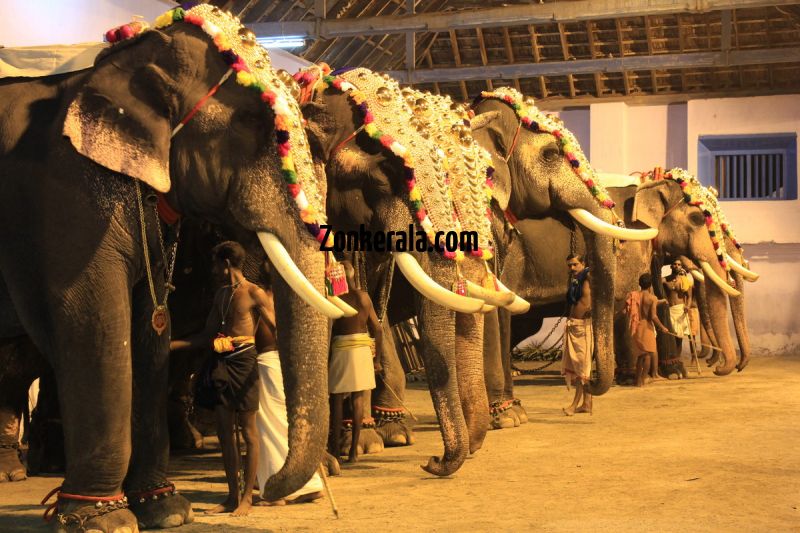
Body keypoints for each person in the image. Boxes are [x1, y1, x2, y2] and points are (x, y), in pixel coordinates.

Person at [170, 241, 266, 517]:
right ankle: (232, 496)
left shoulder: (254, 293)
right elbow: (207, 336)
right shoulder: (221, 295)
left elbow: (275, 326)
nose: (212, 270)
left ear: (226, 265)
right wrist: (173, 345)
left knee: (249, 433)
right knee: (225, 433)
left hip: (246, 363)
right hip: (222, 363)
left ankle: (247, 498)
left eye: (215, 264)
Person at [252, 270, 324, 506]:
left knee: (269, 425)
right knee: (284, 422)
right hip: (283, 364)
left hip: (268, 363)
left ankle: (278, 491)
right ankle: (308, 484)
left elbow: (276, 330)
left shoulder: (262, 299)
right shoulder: (289, 298)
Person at [328, 260, 382, 463]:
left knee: (337, 397)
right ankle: (352, 452)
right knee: (358, 399)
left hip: (342, 348)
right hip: (361, 349)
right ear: (352, 275)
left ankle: (334, 449)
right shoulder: (363, 296)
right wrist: (377, 359)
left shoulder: (336, 297)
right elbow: (377, 329)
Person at [625, 274, 671, 387]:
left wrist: (661, 301)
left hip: (636, 326)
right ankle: (643, 378)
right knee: (648, 355)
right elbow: (653, 316)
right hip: (647, 327)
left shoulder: (634, 295)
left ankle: (637, 380)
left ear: (640, 284)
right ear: (650, 285)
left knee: (641, 355)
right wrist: (662, 327)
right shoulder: (652, 298)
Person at [562, 253, 593, 416]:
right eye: (569, 265)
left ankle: (573, 405)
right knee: (580, 367)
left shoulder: (588, 276)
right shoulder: (576, 280)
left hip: (583, 328)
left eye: (575, 264)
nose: (572, 268)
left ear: (583, 263)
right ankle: (587, 403)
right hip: (574, 326)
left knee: (582, 369)